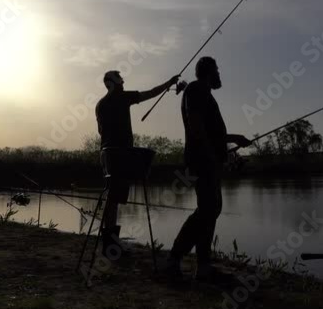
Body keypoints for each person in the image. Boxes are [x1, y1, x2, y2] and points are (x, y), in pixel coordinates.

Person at [165, 57, 251, 281]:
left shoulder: (205, 93)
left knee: (211, 210)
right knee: (207, 210)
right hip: (202, 160)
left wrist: (234, 139)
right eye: (217, 71)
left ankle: (203, 266)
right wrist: (211, 153)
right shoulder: (195, 90)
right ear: (209, 72)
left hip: (209, 160)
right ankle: (174, 258)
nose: (220, 75)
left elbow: (213, 134)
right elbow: (196, 126)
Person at [95, 70, 179, 261]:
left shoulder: (100, 104)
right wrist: (169, 83)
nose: (123, 83)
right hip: (121, 155)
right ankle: (110, 245)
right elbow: (150, 93)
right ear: (115, 83)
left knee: (112, 198)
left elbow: (101, 131)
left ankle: (109, 243)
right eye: (121, 81)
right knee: (115, 197)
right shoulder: (123, 97)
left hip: (106, 155)